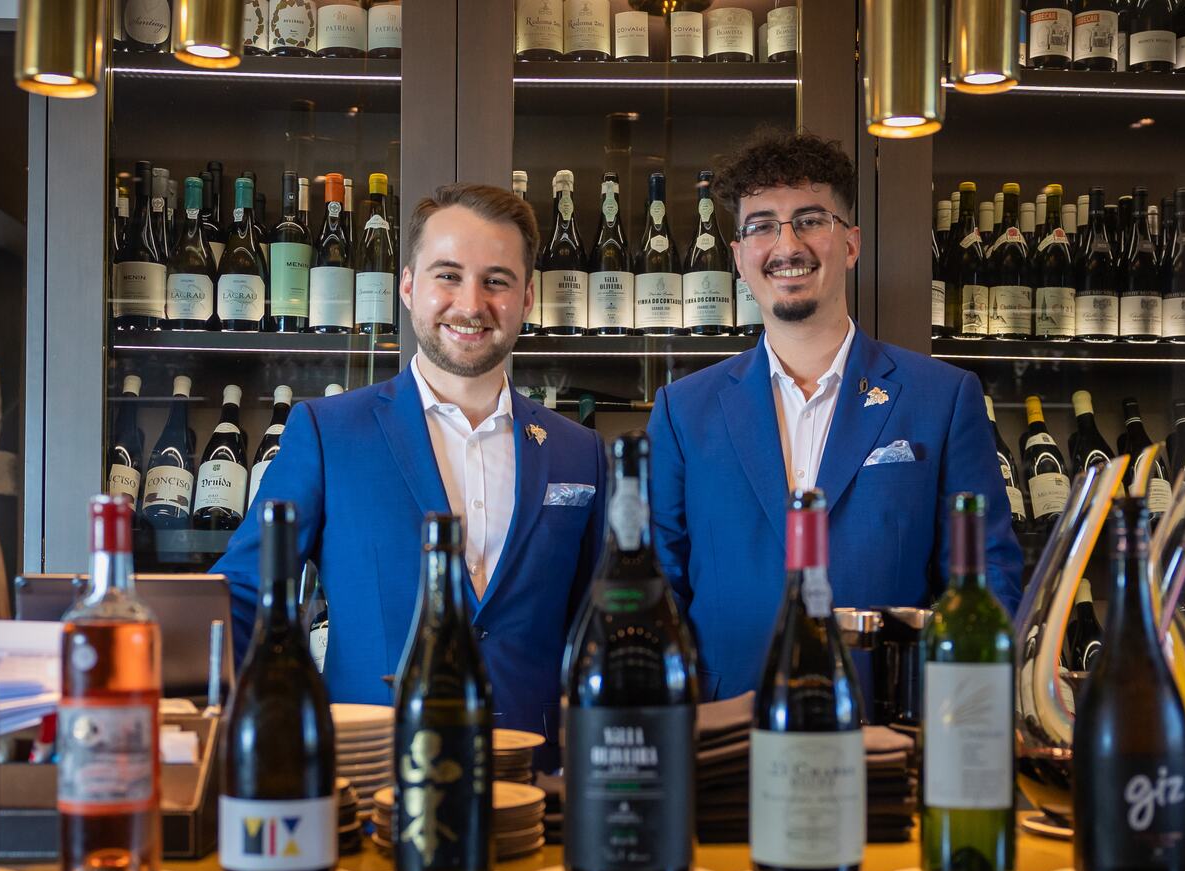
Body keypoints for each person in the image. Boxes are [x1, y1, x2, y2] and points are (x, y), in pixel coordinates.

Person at [215, 183, 604, 745]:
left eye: (496, 281)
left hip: (532, 784)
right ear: (408, 286)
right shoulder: (328, 433)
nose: (471, 304)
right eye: (448, 275)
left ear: (527, 298)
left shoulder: (579, 452)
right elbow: (245, 598)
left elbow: (594, 628)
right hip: (371, 773)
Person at [647, 130, 1023, 701]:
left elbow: (983, 583)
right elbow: (656, 590)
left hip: (890, 729)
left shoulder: (942, 398)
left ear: (850, 244)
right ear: (740, 257)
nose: (786, 244)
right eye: (762, 225)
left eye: (810, 220)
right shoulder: (683, 411)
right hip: (725, 737)